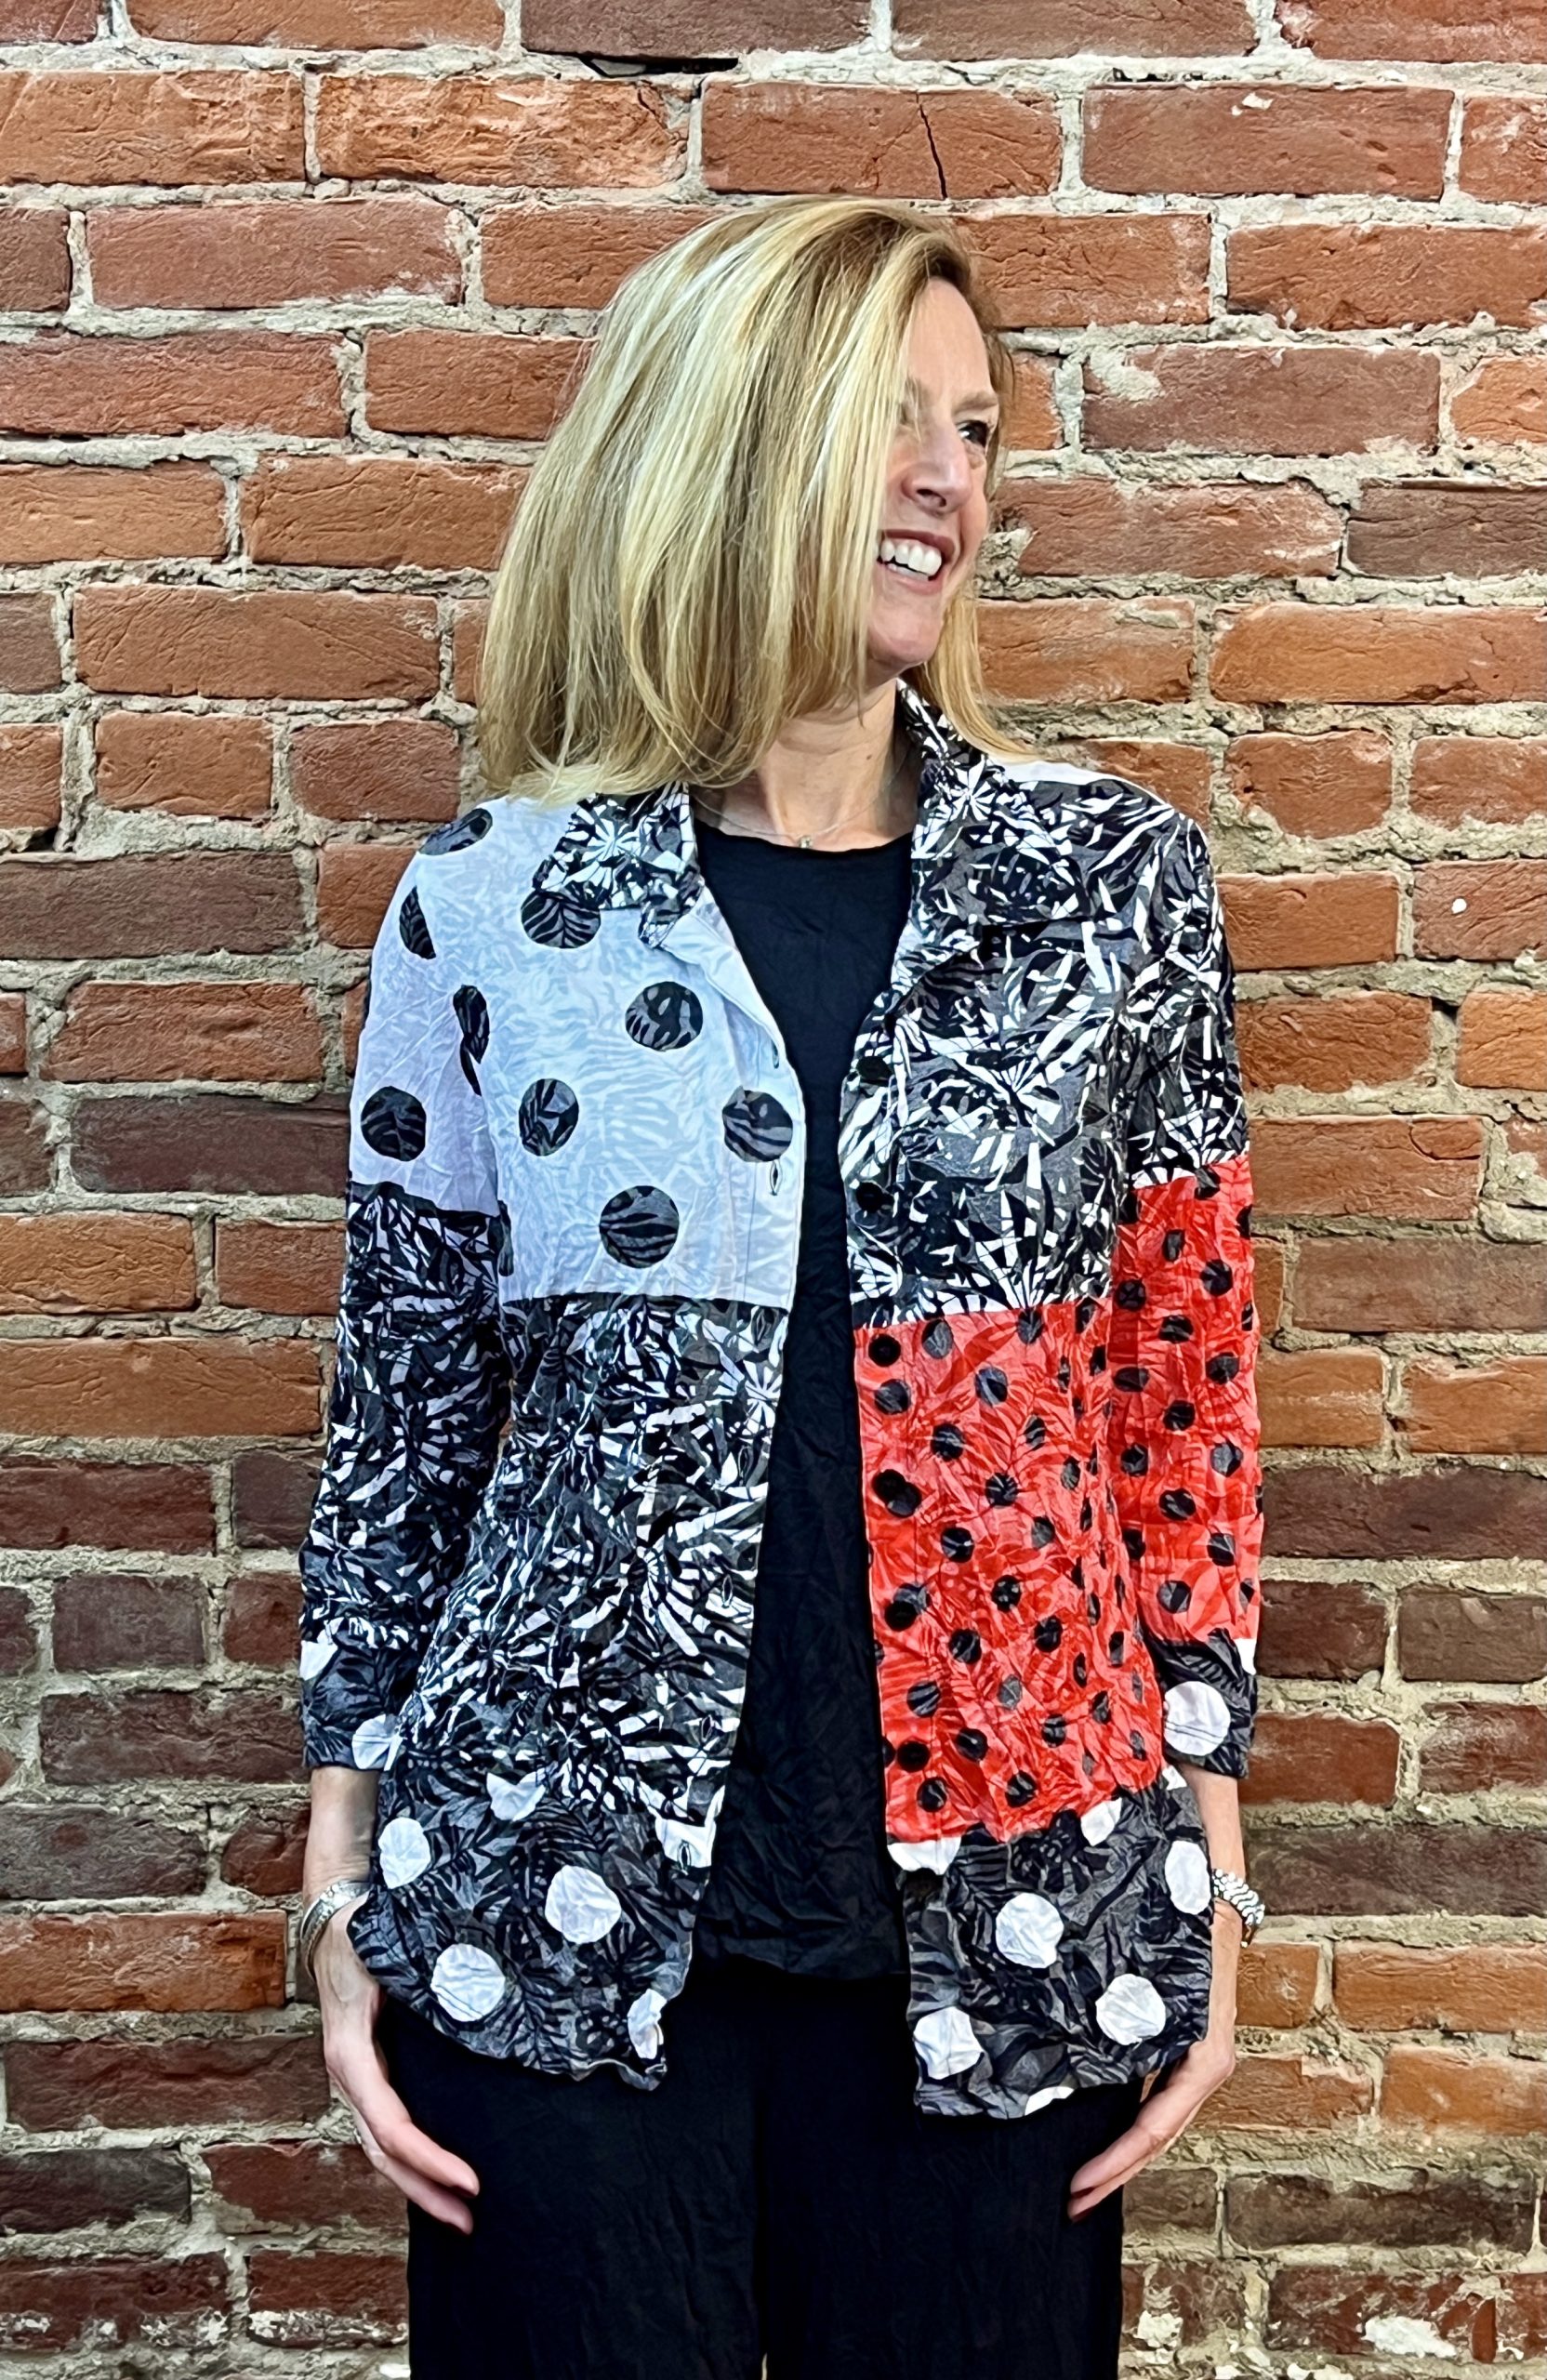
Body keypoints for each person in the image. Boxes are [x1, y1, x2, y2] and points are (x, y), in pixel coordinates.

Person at [295, 195, 1266, 2380]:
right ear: (723, 449)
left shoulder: (1111, 893)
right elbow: (404, 1425)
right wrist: (338, 1882)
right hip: (548, 1933)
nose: (946, 479)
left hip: (1011, 1936)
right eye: (883, 421)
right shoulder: (495, 906)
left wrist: (1212, 1862)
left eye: (976, 430)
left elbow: (1179, 1397)